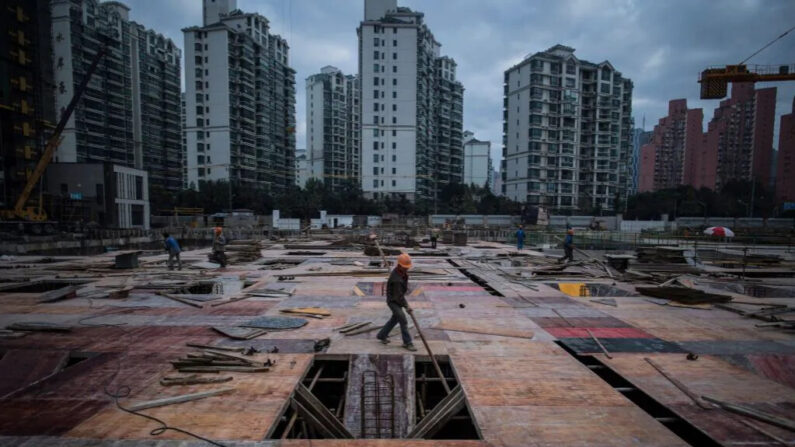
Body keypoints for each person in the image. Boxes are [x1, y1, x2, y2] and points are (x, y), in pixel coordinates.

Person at [376, 253, 417, 351]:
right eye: (405, 268)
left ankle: (382, 335)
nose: (407, 269)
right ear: (399, 265)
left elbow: (400, 295)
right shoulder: (396, 280)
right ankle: (408, 343)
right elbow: (398, 297)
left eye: (407, 267)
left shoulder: (400, 272)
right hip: (393, 301)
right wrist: (407, 306)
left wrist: (405, 304)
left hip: (397, 297)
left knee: (395, 319)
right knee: (403, 319)